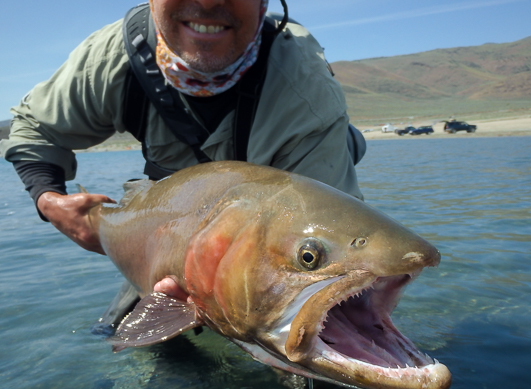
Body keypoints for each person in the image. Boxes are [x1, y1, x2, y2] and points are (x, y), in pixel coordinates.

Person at [0, 0, 363, 258]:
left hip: (270, 243)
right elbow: (34, 127)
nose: (207, 1)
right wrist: (49, 200)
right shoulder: (110, 59)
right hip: (166, 237)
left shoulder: (307, 89)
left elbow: (334, 246)